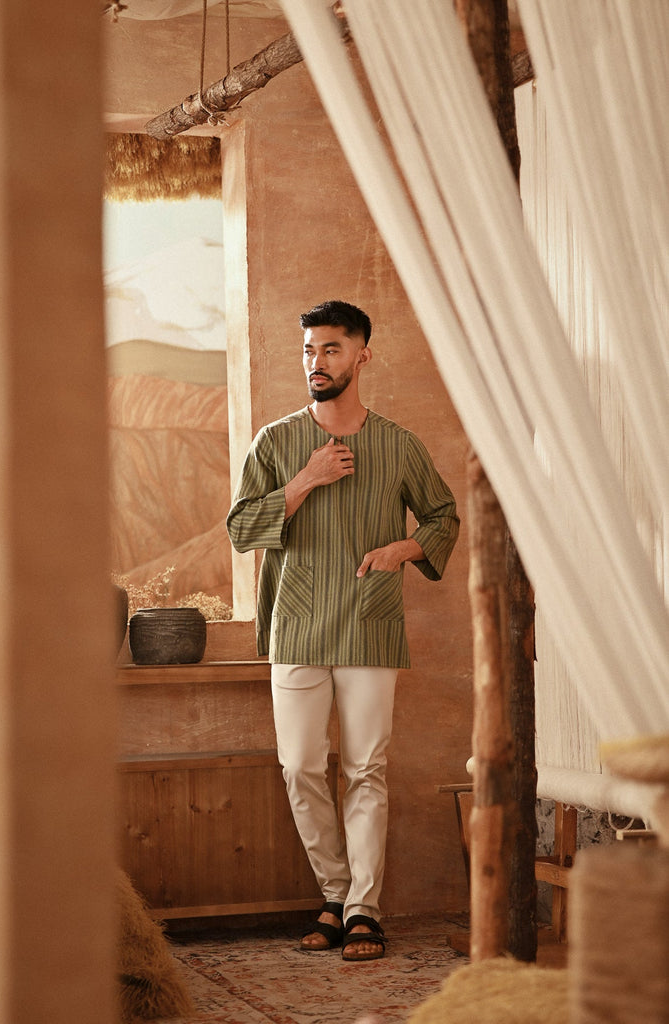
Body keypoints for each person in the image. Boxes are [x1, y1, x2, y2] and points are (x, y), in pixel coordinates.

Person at [226, 300, 459, 961]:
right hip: (296, 624)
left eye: (331, 348)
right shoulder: (275, 442)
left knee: (365, 769)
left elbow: (442, 518)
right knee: (300, 766)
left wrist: (404, 550)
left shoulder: (397, 444)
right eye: (309, 349)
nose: (316, 361)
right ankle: (334, 891)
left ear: (362, 355)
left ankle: (361, 909)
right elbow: (240, 530)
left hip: (368, 622)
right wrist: (306, 479)